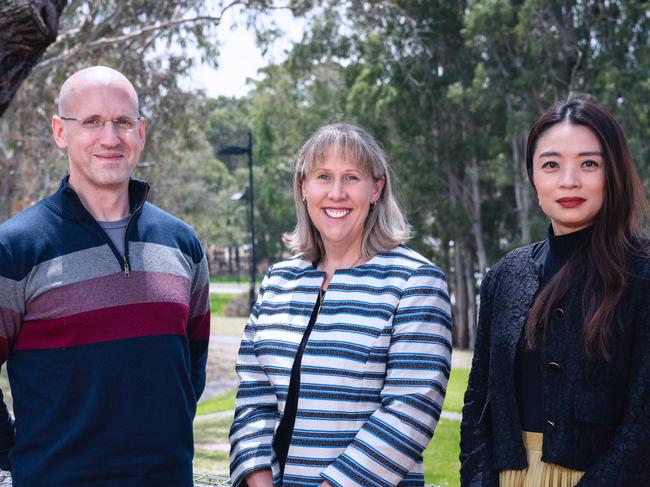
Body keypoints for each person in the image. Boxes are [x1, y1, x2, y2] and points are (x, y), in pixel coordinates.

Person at [0, 66, 210, 486]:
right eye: (92, 122)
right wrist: (13, 452)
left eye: (123, 122)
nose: (110, 138)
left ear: (142, 131)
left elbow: (191, 370)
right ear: (61, 131)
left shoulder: (181, 242)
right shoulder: (15, 248)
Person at [229, 123, 452, 487]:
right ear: (303, 187)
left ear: (376, 188)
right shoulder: (279, 281)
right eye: (323, 176)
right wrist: (258, 480)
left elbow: (410, 410)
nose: (336, 193)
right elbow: (254, 396)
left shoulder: (415, 281)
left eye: (351, 178)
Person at [460, 97, 650, 487]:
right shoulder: (504, 275)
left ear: (613, 172)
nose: (569, 180)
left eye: (589, 164)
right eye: (551, 164)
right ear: (532, 177)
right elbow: (479, 405)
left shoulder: (641, 275)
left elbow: (642, 427)